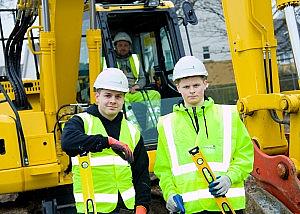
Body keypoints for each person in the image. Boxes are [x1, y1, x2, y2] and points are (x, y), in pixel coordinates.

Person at [154, 56, 254, 213]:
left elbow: (245, 155)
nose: (192, 90)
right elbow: (163, 169)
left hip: (226, 204)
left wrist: (230, 178)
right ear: (178, 87)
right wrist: (170, 193)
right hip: (189, 207)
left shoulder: (229, 115)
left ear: (205, 84)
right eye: (186, 86)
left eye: (196, 85)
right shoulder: (166, 124)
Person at [61, 68, 151, 214]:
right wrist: (107, 141)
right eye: (108, 95)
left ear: (123, 99)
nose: (113, 101)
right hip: (93, 209)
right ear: (97, 97)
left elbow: (141, 174)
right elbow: (68, 143)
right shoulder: (80, 122)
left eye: (118, 96)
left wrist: (142, 207)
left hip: (126, 208)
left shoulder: (132, 130)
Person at [113, 32, 161, 130]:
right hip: (119, 93)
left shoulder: (135, 59)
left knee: (155, 94)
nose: (123, 48)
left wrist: (137, 86)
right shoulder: (109, 60)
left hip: (133, 92)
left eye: (126, 45)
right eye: (120, 45)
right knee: (121, 100)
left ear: (130, 47)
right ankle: (134, 129)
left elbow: (142, 78)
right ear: (115, 47)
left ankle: (153, 127)